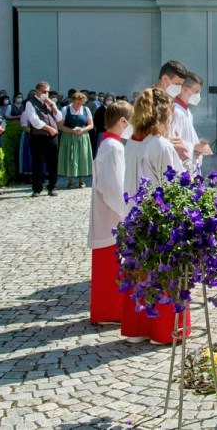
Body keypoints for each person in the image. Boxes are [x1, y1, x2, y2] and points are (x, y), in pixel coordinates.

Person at [121, 88, 189, 344]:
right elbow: (176, 184)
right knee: (161, 273)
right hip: (158, 218)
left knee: (139, 272)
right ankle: (161, 331)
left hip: (133, 215)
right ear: (164, 114)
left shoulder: (133, 142)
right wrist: (187, 161)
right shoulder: (160, 145)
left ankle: (137, 329)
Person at [88, 99, 133, 324]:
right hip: (112, 217)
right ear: (122, 121)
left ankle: (108, 311)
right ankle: (109, 313)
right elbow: (113, 187)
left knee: (110, 268)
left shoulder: (109, 144)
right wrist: (126, 213)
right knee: (110, 269)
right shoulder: (113, 147)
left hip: (108, 215)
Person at [21, 81, 62, 197]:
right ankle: (37, 188)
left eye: (48, 92)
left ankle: (52, 187)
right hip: (39, 136)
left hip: (52, 136)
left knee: (53, 162)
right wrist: (49, 129)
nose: (46, 94)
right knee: (38, 162)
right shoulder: (30, 103)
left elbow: (59, 117)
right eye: (44, 91)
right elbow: (34, 121)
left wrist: (52, 105)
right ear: (37, 91)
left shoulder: (49, 103)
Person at [170, 72, 213, 171]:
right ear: (185, 89)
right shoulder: (176, 111)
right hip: (181, 166)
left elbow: (187, 138)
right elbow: (173, 143)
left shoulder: (186, 110)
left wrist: (196, 149)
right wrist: (195, 147)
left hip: (190, 160)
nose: (198, 95)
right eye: (196, 91)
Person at [58, 91, 95, 188]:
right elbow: (60, 126)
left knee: (82, 157)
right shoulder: (65, 109)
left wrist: (83, 129)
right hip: (69, 136)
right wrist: (71, 130)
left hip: (83, 136)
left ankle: (81, 181)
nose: (80, 105)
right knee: (71, 157)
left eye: (82, 103)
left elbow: (91, 125)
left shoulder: (86, 110)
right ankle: (70, 181)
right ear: (73, 101)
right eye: (78, 102)